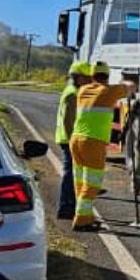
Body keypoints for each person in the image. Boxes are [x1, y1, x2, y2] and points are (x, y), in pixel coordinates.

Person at [68, 60, 127, 231]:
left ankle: (86, 215)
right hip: (93, 142)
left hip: (76, 139)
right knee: (92, 183)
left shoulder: (83, 90)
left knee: (80, 181)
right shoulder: (109, 91)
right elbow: (128, 87)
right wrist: (125, 81)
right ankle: (81, 220)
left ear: (92, 76)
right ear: (107, 76)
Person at [53, 60, 91, 220]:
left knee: (73, 173)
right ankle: (65, 207)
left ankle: (70, 204)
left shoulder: (73, 91)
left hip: (70, 138)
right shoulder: (72, 94)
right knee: (70, 174)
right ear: (78, 77)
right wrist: (72, 141)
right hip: (69, 139)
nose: (89, 81)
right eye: (86, 78)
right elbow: (69, 120)